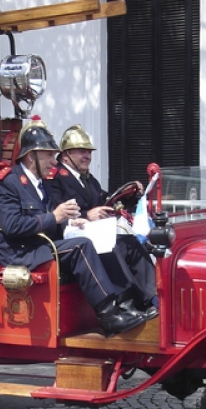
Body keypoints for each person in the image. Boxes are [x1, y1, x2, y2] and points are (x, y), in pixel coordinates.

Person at [0, 119, 147, 337]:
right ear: (30, 155)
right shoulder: (8, 182)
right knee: (80, 246)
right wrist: (55, 217)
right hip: (19, 252)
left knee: (96, 239)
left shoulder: (41, 182)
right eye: (48, 155)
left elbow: (51, 218)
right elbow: (13, 226)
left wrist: (71, 222)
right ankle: (108, 315)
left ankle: (127, 302)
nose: (54, 162)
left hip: (39, 245)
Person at [49, 124, 157, 319]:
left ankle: (152, 299)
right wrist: (87, 216)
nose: (87, 156)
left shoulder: (88, 179)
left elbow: (106, 200)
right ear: (65, 155)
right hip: (69, 239)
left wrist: (130, 195)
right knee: (110, 248)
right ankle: (126, 304)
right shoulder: (54, 178)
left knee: (131, 244)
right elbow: (56, 212)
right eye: (81, 151)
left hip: (93, 234)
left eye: (89, 152)